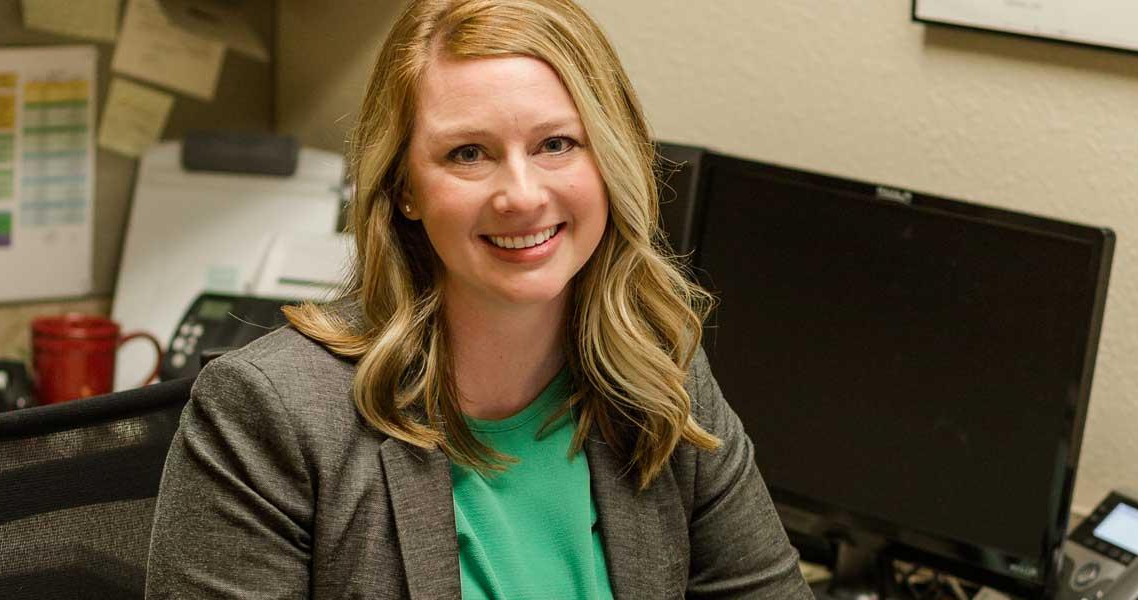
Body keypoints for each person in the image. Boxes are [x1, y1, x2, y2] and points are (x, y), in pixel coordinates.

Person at [145, 0, 813, 598]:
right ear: (405, 188)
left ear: (609, 160)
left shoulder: (658, 373)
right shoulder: (272, 414)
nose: (521, 194)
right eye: (468, 153)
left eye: (557, 144)